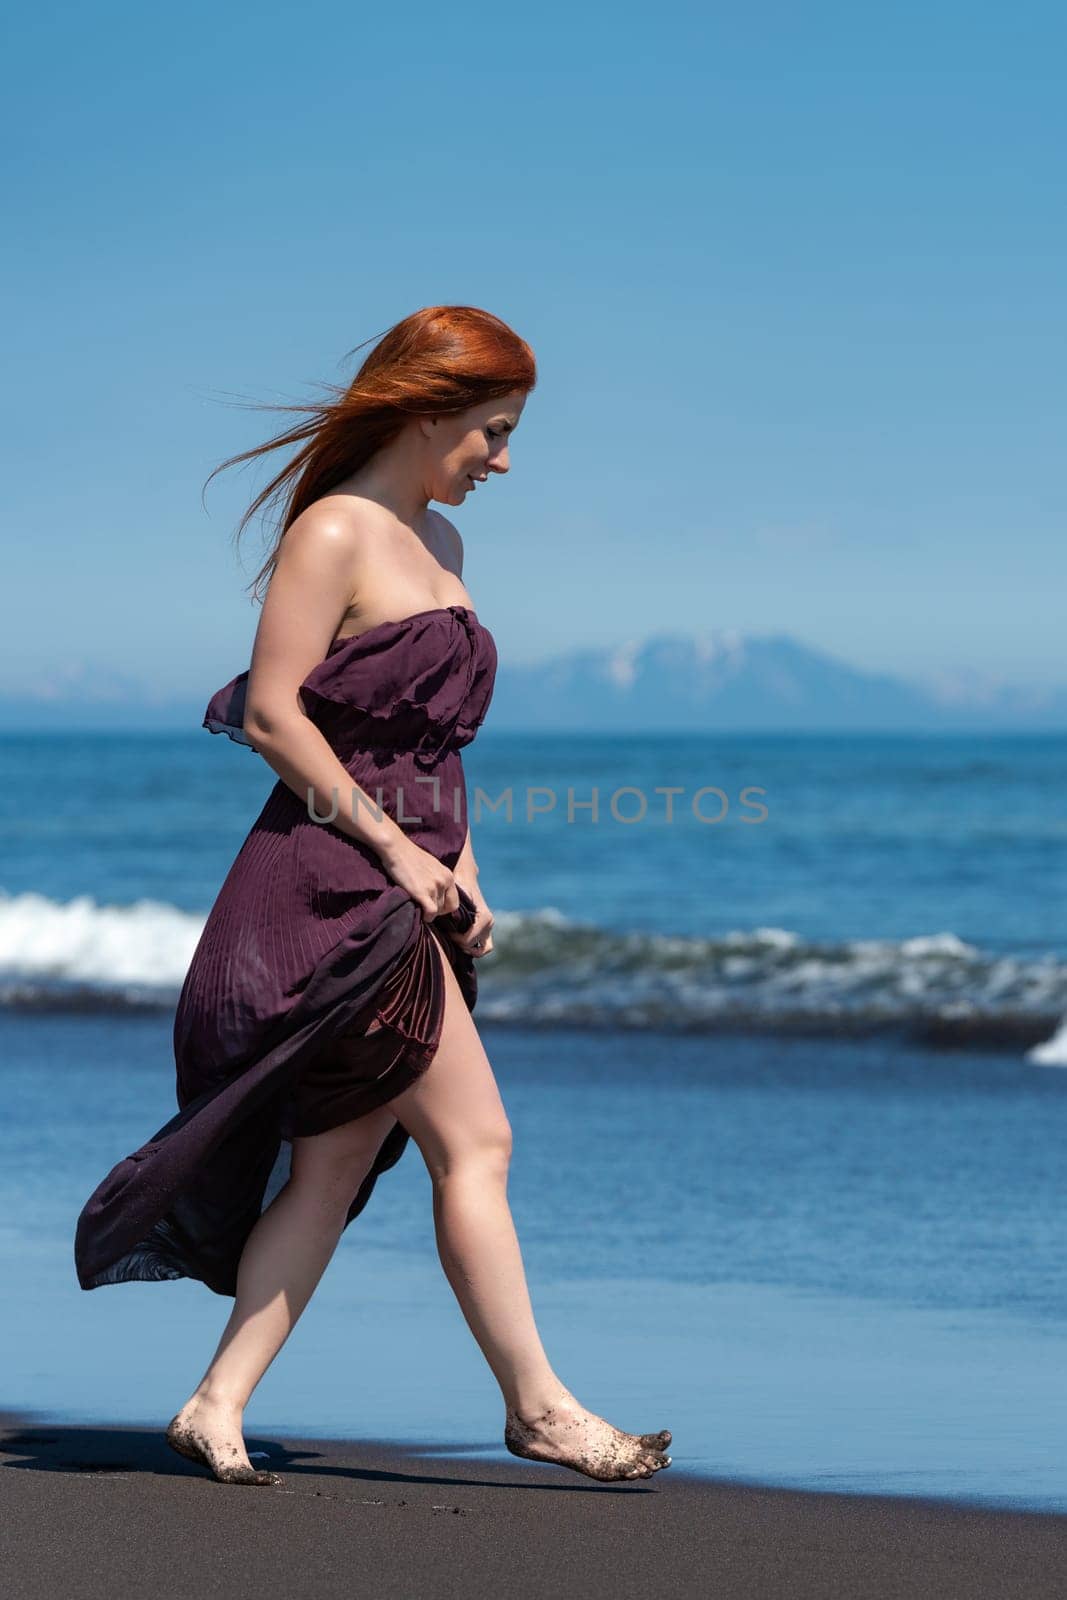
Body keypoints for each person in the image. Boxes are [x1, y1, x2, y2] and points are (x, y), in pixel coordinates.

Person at [74, 305, 672, 1487]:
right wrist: (400, 856)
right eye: (491, 432)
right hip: (330, 884)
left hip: (416, 885)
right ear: (426, 409)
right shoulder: (334, 532)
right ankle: (538, 1406)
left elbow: (437, 744)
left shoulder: (443, 547)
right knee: (478, 1141)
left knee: (336, 1164)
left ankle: (215, 1400)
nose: (502, 460)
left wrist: (466, 866)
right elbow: (271, 714)